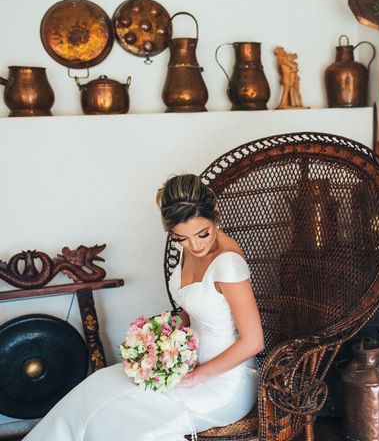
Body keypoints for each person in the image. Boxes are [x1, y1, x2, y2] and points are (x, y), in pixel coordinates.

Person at [24, 174, 264, 441]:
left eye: (202, 234)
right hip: (187, 365)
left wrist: (196, 377)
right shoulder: (190, 247)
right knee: (94, 390)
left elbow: (253, 341)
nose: (195, 245)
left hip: (223, 384)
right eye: (181, 238)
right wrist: (160, 336)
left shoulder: (228, 264)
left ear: (215, 213)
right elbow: (199, 306)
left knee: (125, 427)